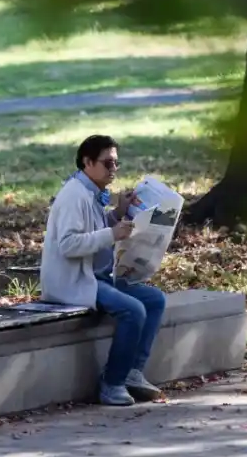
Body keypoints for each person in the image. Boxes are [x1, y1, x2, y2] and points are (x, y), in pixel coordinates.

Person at [40, 133, 167, 406]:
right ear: (87, 162)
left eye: (116, 164)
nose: (114, 170)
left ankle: (133, 372)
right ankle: (112, 383)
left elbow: (94, 231)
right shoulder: (74, 195)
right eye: (107, 163)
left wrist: (116, 214)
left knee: (155, 300)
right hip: (74, 282)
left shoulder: (90, 191)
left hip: (97, 277)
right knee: (133, 311)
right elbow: (69, 245)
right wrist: (112, 233)